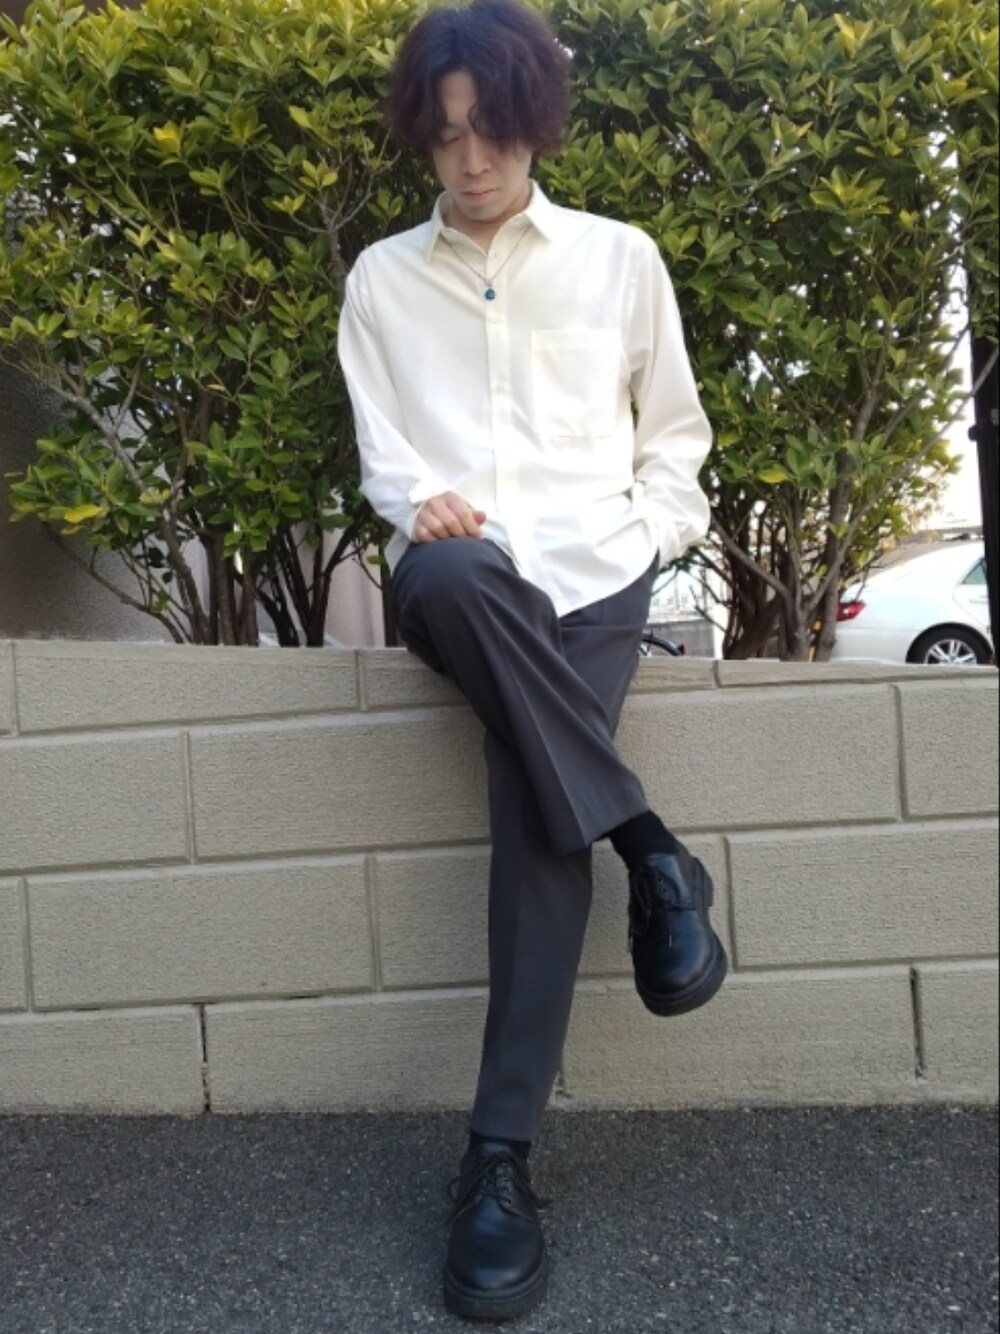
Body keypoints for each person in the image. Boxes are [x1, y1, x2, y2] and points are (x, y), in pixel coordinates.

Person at [337, 0, 727, 1320]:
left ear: (535, 125)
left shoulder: (620, 261)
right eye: (445, 135)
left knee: (531, 797)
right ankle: (653, 848)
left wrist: (645, 530)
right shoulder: (383, 281)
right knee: (455, 572)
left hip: (596, 576)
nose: (470, 161)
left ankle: (496, 1161)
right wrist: (421, 505)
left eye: (492, 131)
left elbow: (676, 442)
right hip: (462, 578)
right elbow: (386, 455)